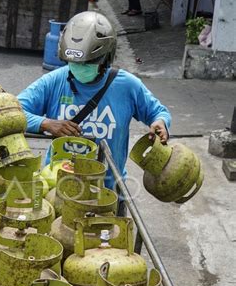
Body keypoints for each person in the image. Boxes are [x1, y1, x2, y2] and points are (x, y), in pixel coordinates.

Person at [17, 11, 170, 188]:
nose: (79, 68)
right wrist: (45, 123)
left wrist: (161, 122)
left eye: (87, 63)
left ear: (105, 59)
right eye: (73, 63)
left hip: (108, 189)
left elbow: (158, 112)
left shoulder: (128, 86)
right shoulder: (54, 81)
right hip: (57, 185)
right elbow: (13, 112)